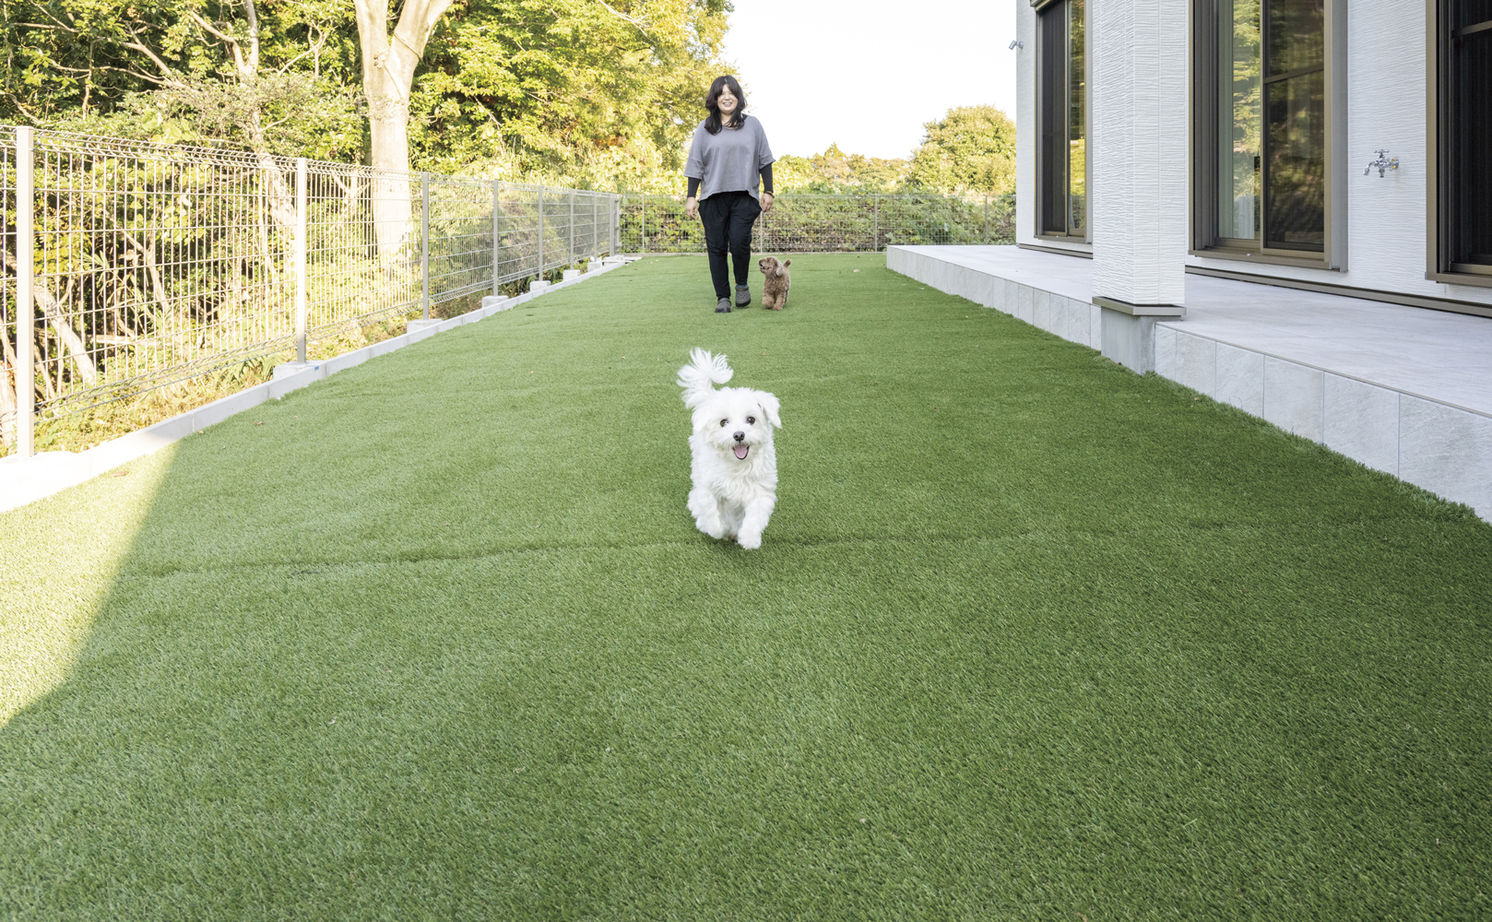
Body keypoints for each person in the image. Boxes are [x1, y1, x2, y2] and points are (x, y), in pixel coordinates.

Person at [684, 75, 776, 313]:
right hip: (712, 197)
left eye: (731, 92)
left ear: (738, 97)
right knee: (716, 247)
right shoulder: (705, 128)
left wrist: (768, 190)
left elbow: (764, 159)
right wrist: (691, 196)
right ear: (715, 98)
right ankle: (722, 297)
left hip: (744, 196)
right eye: (721, 93)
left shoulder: (752, 125)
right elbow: (695, 163)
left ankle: (742, 284)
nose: (727, 97)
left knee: (739, 241)